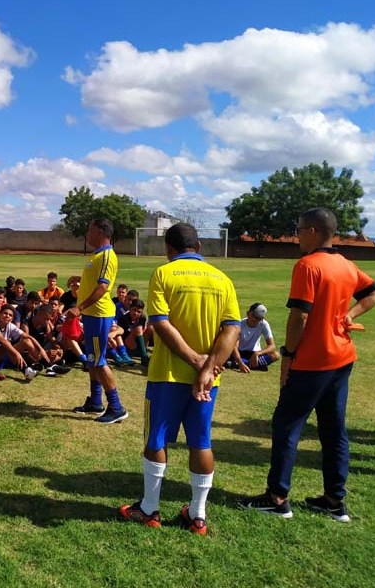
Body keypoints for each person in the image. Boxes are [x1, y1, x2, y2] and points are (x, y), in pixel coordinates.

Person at [240, 208, 375, 523]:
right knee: (334, 429)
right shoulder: (345, 264)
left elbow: (299, 316)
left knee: (287, 425)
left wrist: (288, 354)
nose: (296, 235)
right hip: (342, 358)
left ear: (314, 231)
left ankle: (277, 498)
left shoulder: (308, 265)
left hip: (313, 362)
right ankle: (334, 500)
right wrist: (350, 316)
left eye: (299, 229)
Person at [118, 223, 240, 535]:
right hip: (208, 382)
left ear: (168, 248)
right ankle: (197, 515)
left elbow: (159, 323)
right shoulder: (222, 278)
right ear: (198, 246)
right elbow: (232, 330)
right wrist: (209, 367)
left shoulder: (164, 273)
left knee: (155, 438)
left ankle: (149, 508)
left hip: (167, 375)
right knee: (201, 441)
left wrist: (196, 360)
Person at [72, 219, 128, 424]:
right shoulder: (96, 255)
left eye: (90, 229)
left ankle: (116, 406)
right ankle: (96, 401)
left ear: (101, 232)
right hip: (92, 314)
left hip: (98, 314)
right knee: (92, 357)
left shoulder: (106, 256)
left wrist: (79, 307)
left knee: (98, 359)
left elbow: (103, 287)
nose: (87, 233)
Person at [228, 303, 280, 373]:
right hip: (240, 353)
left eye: (258, 318)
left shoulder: (264, 324)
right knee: (226, 354)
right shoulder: (240, 324)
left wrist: (257, 353)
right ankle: (253, 365)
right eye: (253, 316)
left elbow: (272, 346)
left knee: (276, 355)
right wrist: (240, 363)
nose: (255, 319)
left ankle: (235, 364)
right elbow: (234, 347)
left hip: (254, 354)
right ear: (248, 313)